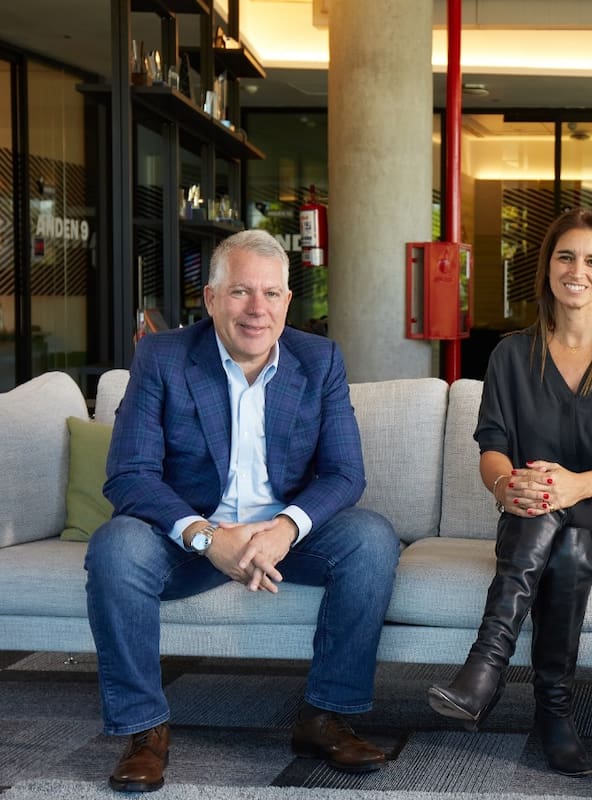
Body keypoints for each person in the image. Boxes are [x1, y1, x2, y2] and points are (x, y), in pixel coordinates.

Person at [85, 229, 401, 793]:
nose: (258, 309)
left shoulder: (319, 359)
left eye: (271, 293)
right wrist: (207, 538)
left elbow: (345, 474)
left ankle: (325, 718)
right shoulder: (163, 356)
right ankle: (144, 730)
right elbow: (129, 474)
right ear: (211, 299)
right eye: (240, 292)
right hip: (188, 538)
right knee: (115, 546)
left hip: (283, 539)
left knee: (371, 539)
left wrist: (284, 528)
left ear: (287, 301)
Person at [427, 208, 592, 777]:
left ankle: (485, 668)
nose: (576, 271)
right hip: (536, 520)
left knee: (554, 507)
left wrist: (577, 485)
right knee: (563, 542)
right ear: (547, 268)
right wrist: (505, 484)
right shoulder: (512, 355)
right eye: (565, 257)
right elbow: (492, 445)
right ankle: (553, 713)